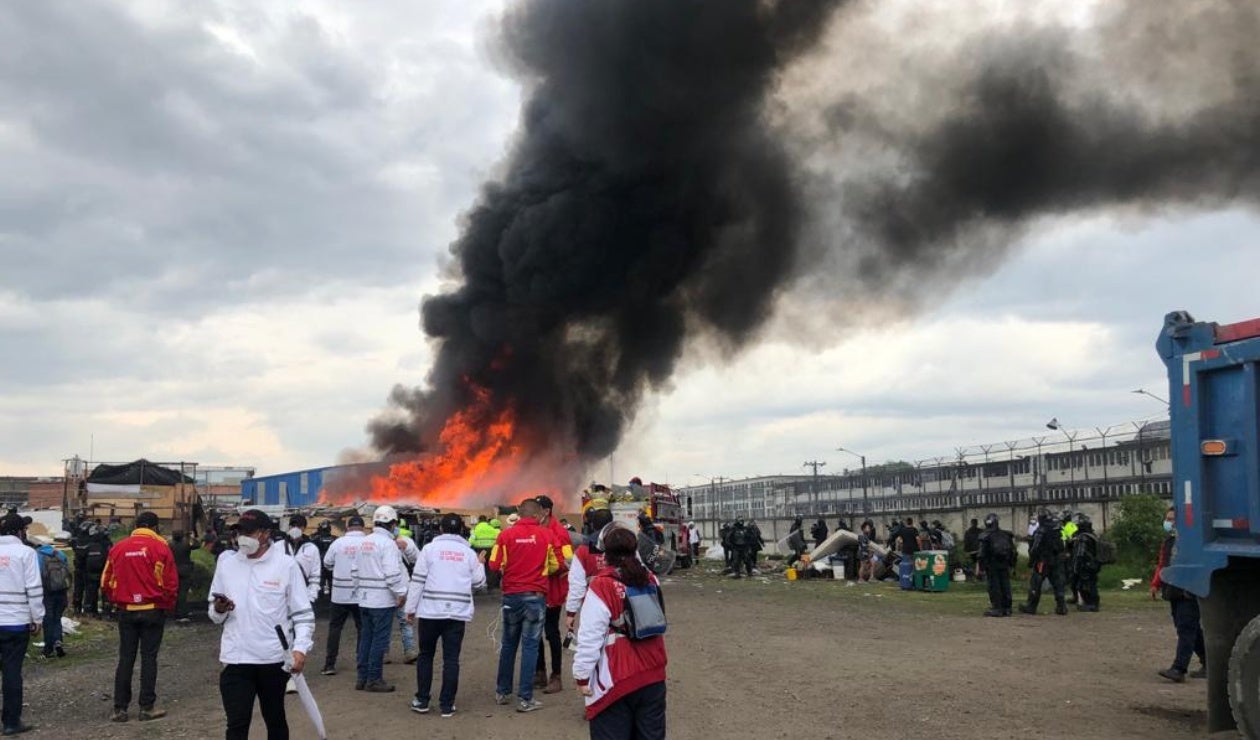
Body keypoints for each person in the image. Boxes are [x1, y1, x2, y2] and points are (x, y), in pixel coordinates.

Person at [208, 509, 315, 739]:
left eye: (249, 532)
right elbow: (214, 615)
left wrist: (300, 649)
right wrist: (219, 609)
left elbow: (303, 614)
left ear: (266, 534)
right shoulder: (227, 563)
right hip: (236, 659)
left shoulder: (286, 565)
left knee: (275, 719)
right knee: (236, 724)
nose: (242, 537)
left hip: (273, 660)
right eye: (239, 532)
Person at [572, 527, 667, 740]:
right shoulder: (650, 580)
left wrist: (582, 676)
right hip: (653, 672)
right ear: (636, 550)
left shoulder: (602, 585)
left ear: (605, 553)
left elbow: (590, 637)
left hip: (617, 677)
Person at [404, 512, 487, 717]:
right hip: (456, 615)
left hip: (431, 613)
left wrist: (410, 609)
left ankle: (422, 700)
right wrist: (481, 563)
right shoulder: (468, 553)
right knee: (451, 660)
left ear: (440, 529)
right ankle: (447, 705)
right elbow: (479, 583)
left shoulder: (429, 550)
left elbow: (418, 580)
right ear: (461, 530)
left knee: (426, 656)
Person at [102, 511, 178, 722]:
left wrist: (116, 600)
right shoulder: (161, 547)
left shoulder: (118, 548)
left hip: (126, 611)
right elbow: (171, 583)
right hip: (153, 610)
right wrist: (168, 606)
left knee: (126, 658)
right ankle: (147, 707)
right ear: (155, 528)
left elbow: (105, 582)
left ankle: (120, 709)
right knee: (149, 657)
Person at [489, 498, 561, 713]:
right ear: (538, 515)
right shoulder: (547, 535)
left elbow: (494, 564)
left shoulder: (505, 535)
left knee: (509, 644)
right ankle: (525, 698)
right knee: (530, 646)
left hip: (511, 596)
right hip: (535, 597)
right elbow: (556, 565)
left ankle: (502, 692)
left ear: (519, 514)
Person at [354, 505, 407, 692]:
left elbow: (354, 571)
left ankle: (362, 678)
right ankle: (374, 679)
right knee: (379, 640)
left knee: (365, 639)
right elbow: (392, 574)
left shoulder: (363, 542)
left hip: (364, 599)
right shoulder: (388, 544)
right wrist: (401, 593)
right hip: (382, 600)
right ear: (392, 524)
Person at [0, 513, 43, 735]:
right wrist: (37, 619)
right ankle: (10, 722)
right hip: (16, 623)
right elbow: (34, 590)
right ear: (20, 532)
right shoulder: (26, 553)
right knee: (11, 672)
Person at [1152, 507, 1205, 682]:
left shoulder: (1192, 541)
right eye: (1167, 518)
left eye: (1173, 519)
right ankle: (1209, 663)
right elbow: (1162, 564)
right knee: (1191, 629)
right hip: (1172, 590)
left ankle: (1178, 669)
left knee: (1186, 628)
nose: (1169, 522)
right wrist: (1156, 584)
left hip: (1188, 591)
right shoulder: (1169, 541)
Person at [534, 495, 573, 695]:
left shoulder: (560, 533)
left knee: (551, 632)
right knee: (535, 631)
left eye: (536, 510)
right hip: (536, 588)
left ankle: (556, 676)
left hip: (553, 590)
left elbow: (567, 561)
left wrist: (544, 567)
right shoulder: (535, 530)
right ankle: (539, 671)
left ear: (546, 511)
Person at [321, 515, 366, 676]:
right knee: (363, 628)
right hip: (360, 594)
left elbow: (327, 562)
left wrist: (338, 569)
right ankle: (362, 663)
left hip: (339, 593)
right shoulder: (367, 543)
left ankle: (329, 664)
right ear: (363, 527)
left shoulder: (338, 543)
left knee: (335, 628)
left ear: (347, 527)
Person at [565, 502, 618, 631]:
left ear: (592, 525)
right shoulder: (624, 546)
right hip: (620, 604)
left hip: (593, 605)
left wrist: (571, 613)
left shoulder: (583, 551)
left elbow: (577, 585)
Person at [1019, 510, 1067, 616]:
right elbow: (1063, 545)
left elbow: (1035, 548)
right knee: (1057, 584)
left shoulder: (1041, 530)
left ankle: (1031, 606)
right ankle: (1062, 606)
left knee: (1036, 583)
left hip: (1043, 561)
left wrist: (1031, 561)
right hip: (1056, 561)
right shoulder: (1057, 529)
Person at [35, 538, 69, 657]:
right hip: (62, 590)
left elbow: (36, 575)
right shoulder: (60, 554)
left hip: (47, 592)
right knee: (57, 618)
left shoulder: (37, 556)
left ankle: (48, 648)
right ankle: (58, 642)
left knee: (48, 619)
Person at [978, 514, 1015, 617]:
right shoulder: (1006, 535)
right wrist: (1012, 565)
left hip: (992, 564)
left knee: (994, 586)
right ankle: (1007, 608)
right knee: (1005, 585)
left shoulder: (985, 536)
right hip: (1004, 564)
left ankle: (997, 608)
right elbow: (1013, 551)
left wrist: (981, 568)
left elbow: (981, 554)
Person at [394, 524, 420, 665]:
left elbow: (418, 558)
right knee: (403, 621)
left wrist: (406, 548)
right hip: (396, 587)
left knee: (403, 620)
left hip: (396, 587)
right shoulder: (377, 542)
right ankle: (408, 651)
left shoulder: (405, 541)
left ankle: (409, 651)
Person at [1070, 514, 1102, 612]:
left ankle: (1092, 605)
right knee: (1091, 584)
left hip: (1086, 565)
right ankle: (1092, 604)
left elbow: (1080, 553)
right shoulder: (1092, 535)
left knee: (1086, 585)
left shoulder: (1083, 537)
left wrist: (1076, 567)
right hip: (1093, 564)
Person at [82, 525, 109, 617]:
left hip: (90, 573)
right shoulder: (106, 545)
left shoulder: (88, 545)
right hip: (103, 572)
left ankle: (90, 610)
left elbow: (81, 559)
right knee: (105, 592)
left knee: (91, 592)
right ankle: (106, 612)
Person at [468, 515, 500, 590]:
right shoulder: (491, 528)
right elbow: (497, 537)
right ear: (486, 520)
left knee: (480, 566)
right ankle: (490, 585)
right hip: (490, 549)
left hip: (480, 549)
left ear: (479, 520)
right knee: (489, 567)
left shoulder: (476, 528)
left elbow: (471, 540)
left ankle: (481, 583)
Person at [170, 532, 194, 622]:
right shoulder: (186, 544)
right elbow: (197, 545)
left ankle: (174, 612)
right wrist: (192, 538)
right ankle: (182, 613)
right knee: (183, 592)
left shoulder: (170, 545)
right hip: (185, 570)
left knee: (175, 592)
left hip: (173, 570)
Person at [311, 522, 337, 599]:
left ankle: (320, 600)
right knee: (332, 584)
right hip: (332, 565)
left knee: (320, 585)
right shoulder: (335, 539)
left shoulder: (315, 539)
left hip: (320, 565)